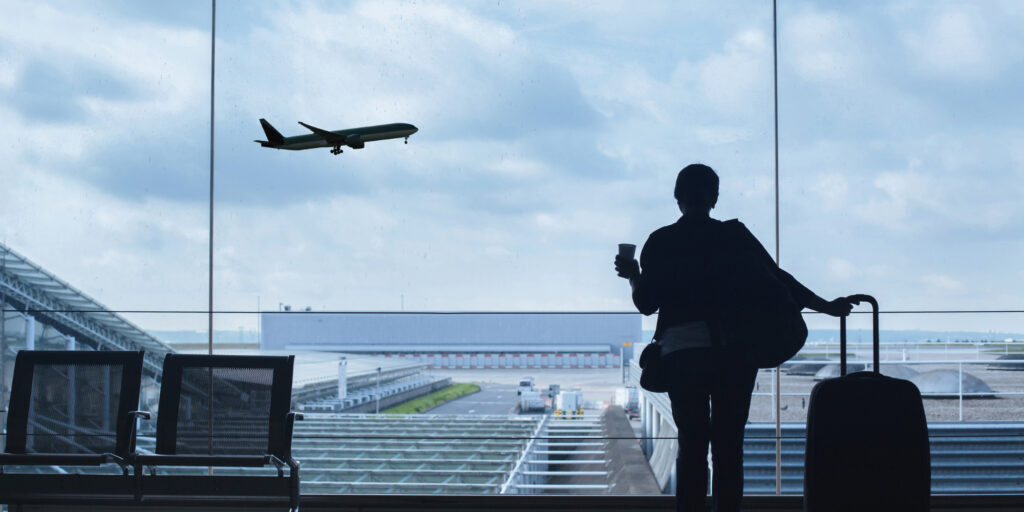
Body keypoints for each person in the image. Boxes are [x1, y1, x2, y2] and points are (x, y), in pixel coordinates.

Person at [614, 163, 852, 512]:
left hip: (683, 355)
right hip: (734, 354)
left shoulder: (661, 241)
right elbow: (778, 279)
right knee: (729, 449)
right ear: (715, 198)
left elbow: (646, 303)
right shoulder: (735, 236)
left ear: (678, 198)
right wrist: (825, 306)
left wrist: (633, 275)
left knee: (692, 447)